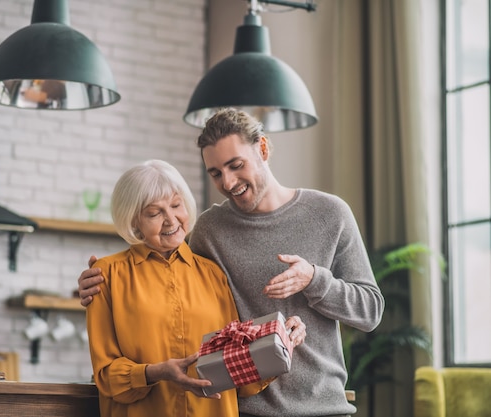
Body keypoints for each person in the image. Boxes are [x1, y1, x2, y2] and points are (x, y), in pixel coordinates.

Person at [79, 108, 385, 417]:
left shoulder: (330, 214)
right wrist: (98, 282)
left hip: (324, 408)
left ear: (263, 149)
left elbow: (370, 311)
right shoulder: (210, 231)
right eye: (215, 173)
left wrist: (314, 279)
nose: (227, 182)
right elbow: (161, 263)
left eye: (236, 165)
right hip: (246, 407)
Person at [85, 159, 306, 417]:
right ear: (134, 222)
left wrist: (280, 341)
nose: (171, 220)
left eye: (176, 205)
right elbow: (106, 376)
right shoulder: (107, 275)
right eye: (155, 213)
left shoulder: (213, 274)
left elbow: (235, 367)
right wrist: (154, 372)